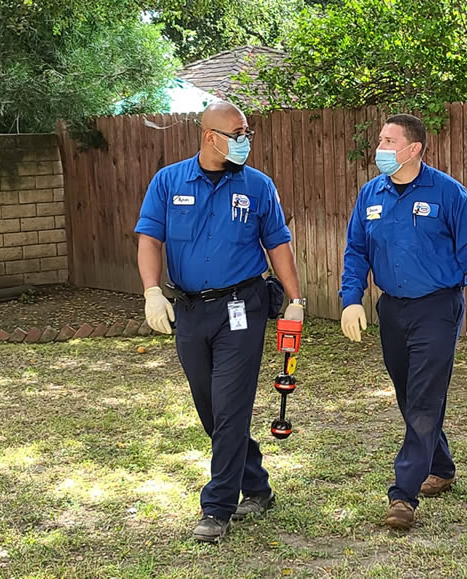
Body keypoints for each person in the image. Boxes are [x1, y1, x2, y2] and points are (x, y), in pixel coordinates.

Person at [135, 101, 306, 543]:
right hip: (191, 310)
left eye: (247, 132)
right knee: (211, 408)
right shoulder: (168, 181)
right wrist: (152, 291)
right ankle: (257, 486)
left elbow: (278, 245)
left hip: (241, 307)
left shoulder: (258, 186)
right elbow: (150, 239)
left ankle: (217, 507)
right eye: (237, 133)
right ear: (210, 137)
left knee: (231, 406)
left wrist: (295, 300)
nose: (245, 140)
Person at [339, 113, 467, 530]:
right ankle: (440, 466)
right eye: (380, 140)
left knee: (425, 398)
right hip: (392, 309)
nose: (380, 148)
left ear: (413, 149)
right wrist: (351, 299)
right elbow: (356, 251)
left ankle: (403, 495)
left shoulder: (447, 193)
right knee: (409, 396)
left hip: (437, 309)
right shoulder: (371, 194)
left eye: (389, 141)